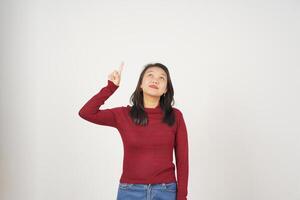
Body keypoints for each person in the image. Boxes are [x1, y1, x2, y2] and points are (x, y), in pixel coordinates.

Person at [78, 62, 189, 200]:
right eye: (150, 75)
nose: (155, 80)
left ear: (166, 89)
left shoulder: (175, 116)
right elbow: (86, 113)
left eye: (162, 78)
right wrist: (110, 87)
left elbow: (182, 159)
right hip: (130, 191)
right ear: (140, 85)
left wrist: (182, 196)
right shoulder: (124, 114)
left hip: (165, 191)